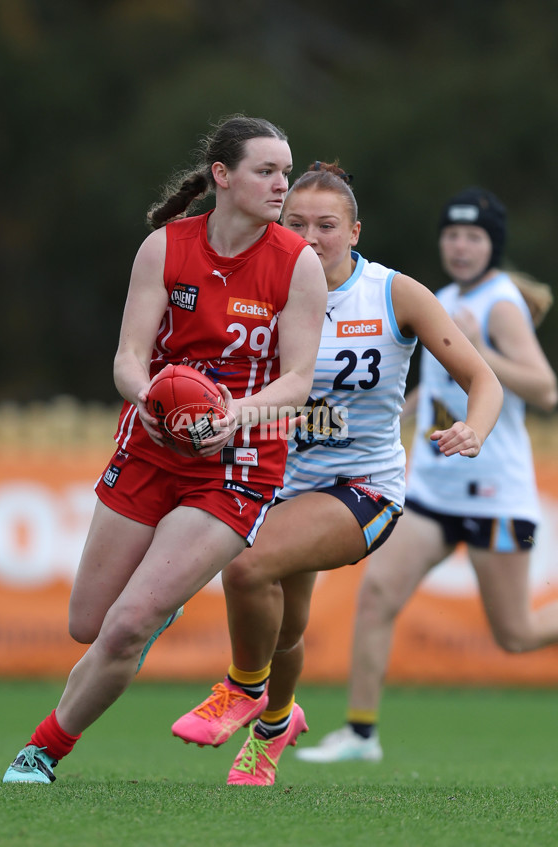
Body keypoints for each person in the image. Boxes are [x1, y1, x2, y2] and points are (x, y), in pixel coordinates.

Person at [2, 114, 329, 784]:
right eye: (266, 171)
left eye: (285, 172)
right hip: (152, 444)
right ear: (222, 176)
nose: (280, 185)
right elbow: (128, 358)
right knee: (89, 623)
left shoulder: (296, 262)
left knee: (127, 625)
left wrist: (233, 414)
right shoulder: (164, 249)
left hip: (238, 457)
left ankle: (42, 751)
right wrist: (150, 398)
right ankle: (163, 597)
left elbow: (297, 380)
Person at [170, 168, 504, 785]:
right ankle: (274, 731)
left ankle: (243, 691)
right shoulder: (258, 286)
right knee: (285, 632)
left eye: (326, 226)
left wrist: (474, 429)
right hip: (272, 480)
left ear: (354, 231)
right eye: (295, 224)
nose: (311, 237)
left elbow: (484, 380)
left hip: (363, 488)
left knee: (245, 566)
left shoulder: (393, 293)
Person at [295, 187, 558, 764]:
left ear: (494, 246)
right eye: (452, 235)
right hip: (434, 490)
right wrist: (405, 408)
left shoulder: (500, 303)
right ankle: (361, 735)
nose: (460, 247)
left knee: (514, 635)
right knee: (378, 595)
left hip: (495, 494)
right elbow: (435, 388)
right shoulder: (438, 297)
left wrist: (481, 342)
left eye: (474, 237)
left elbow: (545, 389)